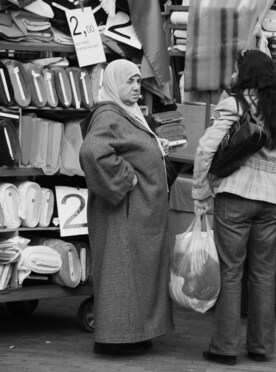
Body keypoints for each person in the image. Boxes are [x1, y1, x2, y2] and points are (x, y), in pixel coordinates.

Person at [192, 49, 276, 365]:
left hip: (235, 197)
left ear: (246, 74)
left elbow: (205, 150)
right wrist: (270, 171)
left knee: (231, 272)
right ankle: (260, 347)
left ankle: (225, 348)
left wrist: (201, 192)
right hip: (272, 203)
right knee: (263, 273)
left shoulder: (235, 104)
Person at [79, 59, 174, 356]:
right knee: (122, 271)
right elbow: (93, 152)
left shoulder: (126, 113)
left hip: (136, 211)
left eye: (137, 81)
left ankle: (133, 333)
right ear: (114, 83)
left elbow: (128, 146)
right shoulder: (108, 114)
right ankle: (115, 337)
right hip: (123, 211)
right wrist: (126, 178)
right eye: (129, 82)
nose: (136, 88)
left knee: (136, 273)